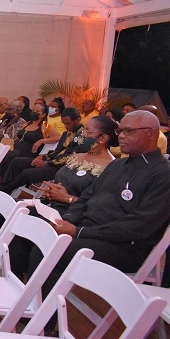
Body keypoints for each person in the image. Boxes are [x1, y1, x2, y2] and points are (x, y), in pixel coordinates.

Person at [11, 110, 170, 332]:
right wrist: (66, 221)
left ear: (151, 133)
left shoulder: (162, 174)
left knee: (48, 249)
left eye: (129, 131)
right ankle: (16, 295)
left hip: (122, 246)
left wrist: (78, 231)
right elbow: (86, 198)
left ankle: (44, 325)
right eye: (120, 130)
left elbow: (138, 227)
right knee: (27, 230)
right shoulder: (118, 166)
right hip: (87, 230)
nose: (121, 136)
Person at [37, 116, 118, 214]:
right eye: (83, 130)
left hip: (73, 215)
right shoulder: (78, 156)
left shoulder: (110, 166)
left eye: (88, 131)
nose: (82, 134)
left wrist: (67, 198)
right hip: (51, 207)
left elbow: (100, 205)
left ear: (103, 138)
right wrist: (52, 190)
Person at [0, 107, 91, 194]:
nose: (66, 126)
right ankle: (5, 190)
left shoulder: (84, 136)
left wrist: (47, 163)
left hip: (62, 168)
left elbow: (71, 157)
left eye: (68, 124)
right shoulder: (66, 134)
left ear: (77, 120)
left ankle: (3, 190)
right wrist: (43, 157)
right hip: (51, 162)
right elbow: (56, 152)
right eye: (64, 124)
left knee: (27, 173)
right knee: (17, 161)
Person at [0, 103, 59, 178]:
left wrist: (42, 141)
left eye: (37, 111)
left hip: (29, 152)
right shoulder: (27, 124)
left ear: (43, 115)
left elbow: (59, 137)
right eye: (33, 110)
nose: (34, 112)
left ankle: (4, 181)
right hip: (17, 149)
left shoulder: (45, 126)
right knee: (0, 153)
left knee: (11, 156)